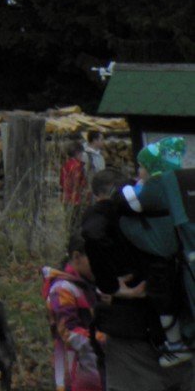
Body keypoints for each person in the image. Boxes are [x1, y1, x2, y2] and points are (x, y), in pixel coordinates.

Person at [83, 173, 195, 390]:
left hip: (133, 347)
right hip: (185, 339)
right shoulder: (179, 207)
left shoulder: (114, 213)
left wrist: (111, 286)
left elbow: (92, 232)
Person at [113, 137, 195, 367]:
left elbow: (131, 202)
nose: (139, 171)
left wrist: (127, 187)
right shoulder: (177, 181)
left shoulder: (158, 184)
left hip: (160, 252)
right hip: (177, 252)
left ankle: (176, 345)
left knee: (164, 299)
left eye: (142, 167)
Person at [43, 243, 107, 391]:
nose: (100, 265)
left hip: (97, 368)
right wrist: (107, 340)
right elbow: (69, 332)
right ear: (77, 257)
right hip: (77, 374)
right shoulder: (62, 289)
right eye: (95, 259)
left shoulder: (88, 285)